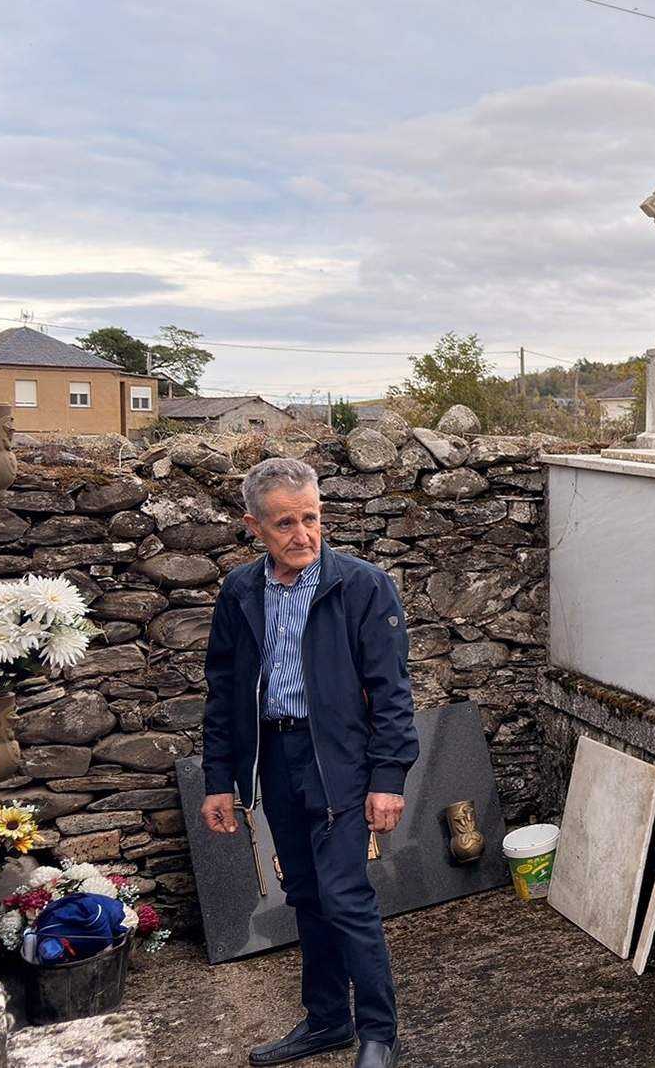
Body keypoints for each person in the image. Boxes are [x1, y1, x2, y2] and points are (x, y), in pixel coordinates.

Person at [202, 458, 418, 1068]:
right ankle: (327, 1021)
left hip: (341, 762)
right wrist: (222, 780)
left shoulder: (362, 585)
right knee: (305, 894)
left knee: (345, 894)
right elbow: (223, 692)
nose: (302, 535)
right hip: (276, 757)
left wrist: (388, 777)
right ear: (253, 525)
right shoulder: (241, 591)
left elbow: (393, 690)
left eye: (312, 518)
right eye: (285, 524)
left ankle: (378, 1033)